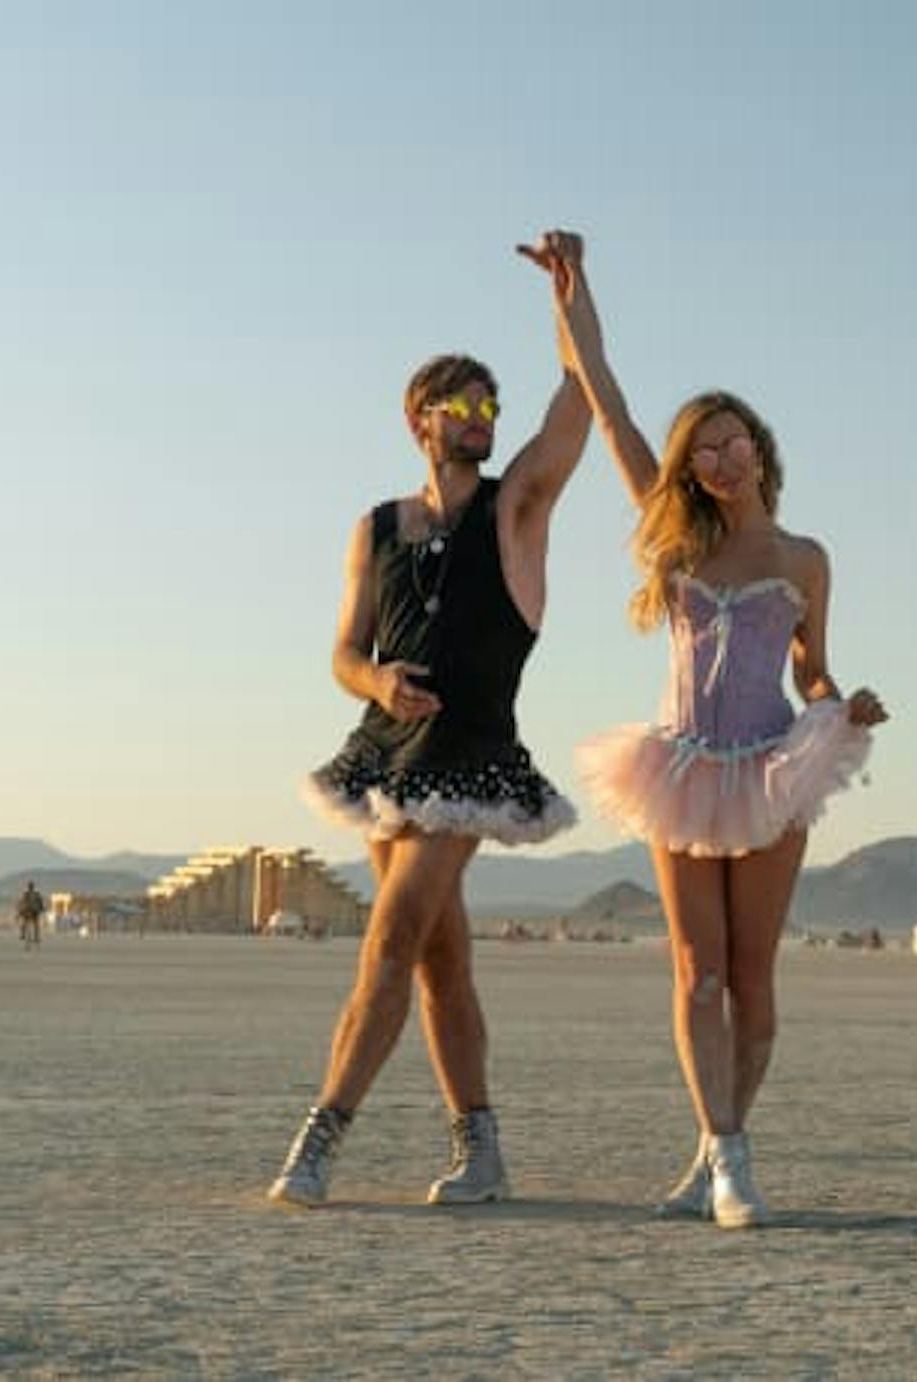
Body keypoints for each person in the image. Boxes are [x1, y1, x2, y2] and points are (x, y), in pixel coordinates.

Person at [269, 229, 598, 1209]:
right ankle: (482, 1150)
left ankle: (321, 1135)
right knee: (439, 960)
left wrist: (573, 301)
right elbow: (342, 652)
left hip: (472, 754)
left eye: (492, 402)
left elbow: (577, 409)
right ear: (420, 418)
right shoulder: (378, 526)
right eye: (466, 401)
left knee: (393, 933)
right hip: (388, 755)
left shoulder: (515, 509)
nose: (485, 413)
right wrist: (377, 686)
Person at [561, 273, 888, 1229]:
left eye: (734, 438)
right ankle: (726, 1157)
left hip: (772, 766)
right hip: (680, 766)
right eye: (703, 448)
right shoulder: (676, 543)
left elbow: (812, 673)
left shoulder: (803, 559)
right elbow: (610, 408)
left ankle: (722, 1147)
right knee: (695, 974)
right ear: (690, 468)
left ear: (761, 449)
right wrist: (571, 297)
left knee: (752, 978)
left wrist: (845, 705)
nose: (722, 456)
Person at [15, 882, 46, 950]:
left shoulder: (27, 893)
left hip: (29, 912)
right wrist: (42, 909)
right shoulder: (34, 893)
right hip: (32, 912)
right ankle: (35, 937)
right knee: (35, 925)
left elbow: (21, 902)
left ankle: (24, 934)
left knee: (26, 923)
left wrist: (19, 911)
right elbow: (40, 903)